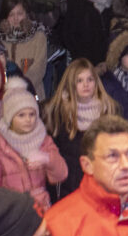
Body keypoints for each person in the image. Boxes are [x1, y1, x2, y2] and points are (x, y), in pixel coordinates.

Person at [41, 58, 123, 204]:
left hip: (102, 190)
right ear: (71, 84)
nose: (86, 85)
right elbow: (52, 161)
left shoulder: (110, 113)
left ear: (96, 82)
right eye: (79, 80)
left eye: (90, 79)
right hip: (69, 192)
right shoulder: (58, 116)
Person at [0, 78, 64, 213]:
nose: (28, 119)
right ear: (10, 118)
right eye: (21, 115)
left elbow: (61, 174)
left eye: (32, 114)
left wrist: (47, 159)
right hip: (13, 215)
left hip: (42, 212)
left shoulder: (43, 140)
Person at [0, 0, 51, 99]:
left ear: (27, 14)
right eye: (11, 14)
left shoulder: (38, 36)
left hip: (32, 94)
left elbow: (39, 69)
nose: (15, 19)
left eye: (19, 13)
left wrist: (20, 85)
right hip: (4, 95)